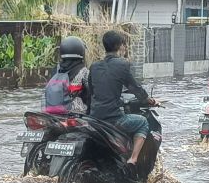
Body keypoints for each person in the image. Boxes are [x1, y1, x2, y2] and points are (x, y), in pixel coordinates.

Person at [84, 30, 155, 170]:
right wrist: (148, 100)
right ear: (119, 46)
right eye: (123, 44)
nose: (124, 48)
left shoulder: (94, 66)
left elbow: (91, 94)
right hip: (113, 119)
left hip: (94, 119)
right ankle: (133, 159)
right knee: (142, 122)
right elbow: (135, 88)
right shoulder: (122, 65)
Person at [42, 36, 90, 114]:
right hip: (74, 113)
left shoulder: (56, 70)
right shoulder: (84, 72)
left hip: (51, 113)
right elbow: (92, 94)